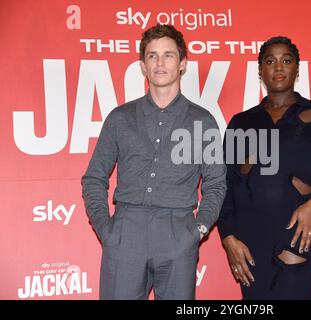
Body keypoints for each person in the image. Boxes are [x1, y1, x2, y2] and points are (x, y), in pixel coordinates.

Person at [81, 24, 226, 300]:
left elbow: (216, 184)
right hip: (125, 232)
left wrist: (198, 231)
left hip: (178, 233)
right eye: (152, 55)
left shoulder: (203, 121)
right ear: (142, 65)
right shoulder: (120, 118)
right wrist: (106, 229)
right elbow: (94, 178)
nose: (160, 62)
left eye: (169, 55)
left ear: (182, 63)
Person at [218, 36, 311, 299]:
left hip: (301, 232)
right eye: (270, 61)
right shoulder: (241, 122)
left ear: (297, 69)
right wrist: (228, 237)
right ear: (260, 71)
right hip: (249, 239)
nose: (278, 67)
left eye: (286, 60)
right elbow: (227, 183)